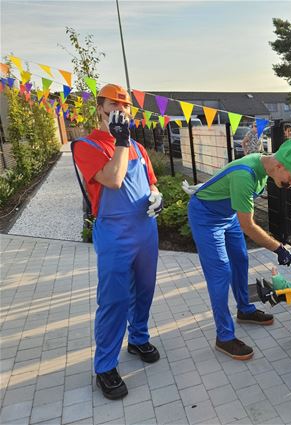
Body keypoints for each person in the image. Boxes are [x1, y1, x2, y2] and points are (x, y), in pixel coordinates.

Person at [71, 84, 163, 400]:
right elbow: (113, 179)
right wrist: (121, 142)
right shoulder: (85, 145)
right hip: (114, 233)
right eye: (114, 104)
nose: (120, 111)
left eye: (125, 106)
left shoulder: (138, 147)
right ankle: (105, 366)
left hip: (145, 231)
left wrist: (157, 195)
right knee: (114, 300)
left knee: (145, 290)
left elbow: (151, 182)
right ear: (100, 108)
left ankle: (138, 337)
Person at [186, 138, 291, 359]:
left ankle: (244, 309)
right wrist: (280, 249)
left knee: (241, 259)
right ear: (280, 165)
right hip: (206, 215)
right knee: (221, 272)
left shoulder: (264, 168)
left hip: (227, 214)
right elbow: (249, 226)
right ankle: (224, 337)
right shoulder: (245, 174)